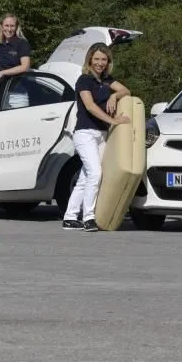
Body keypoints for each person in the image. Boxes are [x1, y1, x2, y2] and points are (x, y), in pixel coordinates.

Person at [63, 42, 131, 232]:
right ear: (90, 60)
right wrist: (113, 121)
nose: (100, 63)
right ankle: (89, 217)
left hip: (101, 134)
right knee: (95, 173)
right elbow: (90, 106)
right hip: (85, 133)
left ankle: (69, 217)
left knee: (86, 177)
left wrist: (113, 97)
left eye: (104, 59)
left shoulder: (108, 80)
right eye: (97, 59)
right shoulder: (84, 80)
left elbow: (126, 91)